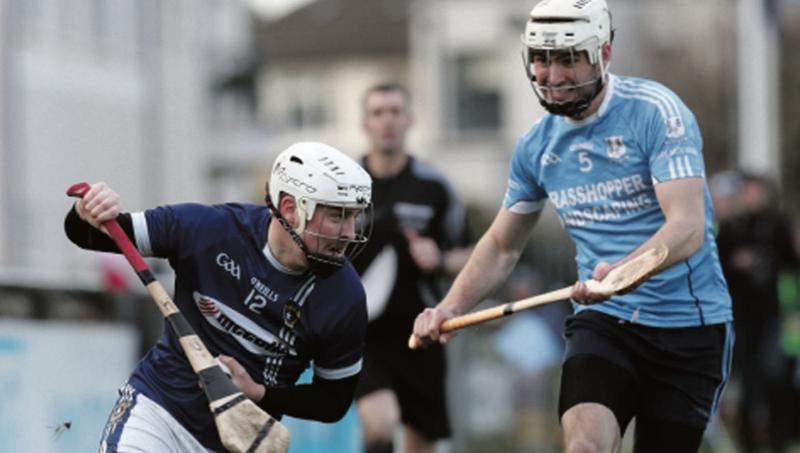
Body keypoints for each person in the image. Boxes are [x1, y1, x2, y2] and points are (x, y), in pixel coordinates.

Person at [411, 1, 734, 452]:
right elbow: (502, 246)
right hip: (605, 323)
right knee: (583, 448)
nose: (552, 75)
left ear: (603, 54)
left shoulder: (657, 112)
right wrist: (449, 307)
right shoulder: (536, 146)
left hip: (689, 329)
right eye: (541, 59)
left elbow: (687, 228)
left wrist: (617, 274)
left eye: (567, 58)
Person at [64, 142, 373, 453]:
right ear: (291, 210)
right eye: (337, 217)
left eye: (354, 218)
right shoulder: (210, 230)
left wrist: (259, 393)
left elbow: (333, 401)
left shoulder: (344, 298)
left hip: (239, 442)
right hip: (159, 413)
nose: (349, 232)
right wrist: (88, 210)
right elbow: (89, 233)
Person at [351, 83, 471, 453]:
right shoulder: (345, 184)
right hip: (364, 335)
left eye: (394, 111)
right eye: (377, 113)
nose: (387, 121)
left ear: (410, 120)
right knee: (381, 424)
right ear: (365, 123)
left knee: (423, 442)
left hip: (424, 331)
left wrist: (440, 259)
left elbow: (472, 255)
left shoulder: (433, 186)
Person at [715, 172, 800, 453]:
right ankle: (748, 443)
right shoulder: (729, 230)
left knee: (775, 377)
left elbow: (791, 266)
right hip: (739, 318)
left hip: (772, 317)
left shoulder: (777, 225)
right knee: (747, 383)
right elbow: (717, 272)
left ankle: (779, 438)